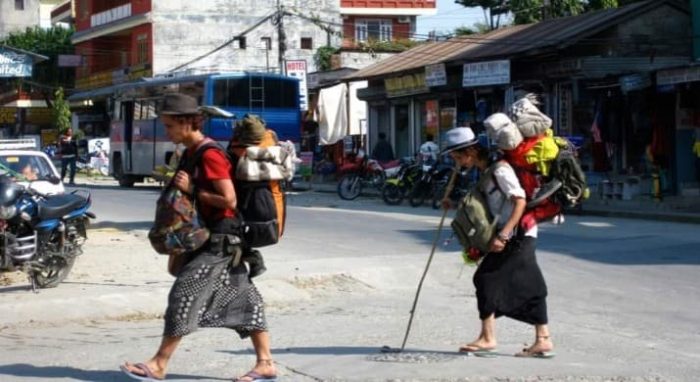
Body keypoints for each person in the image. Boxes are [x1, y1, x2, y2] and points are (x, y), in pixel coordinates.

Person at [120, 93, 277, 382]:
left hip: (220, 240)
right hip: (213, 238)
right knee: (247, 300)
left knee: (184, 295)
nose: (166, 131)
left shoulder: (210, 154)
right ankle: (265, 362)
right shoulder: (192, 152)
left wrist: (193, 189)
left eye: (169, 126)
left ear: (186, 122)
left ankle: (158, 363)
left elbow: (228, 200)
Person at [442, 126, 554, 358]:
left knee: (485, 278)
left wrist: (503, 235)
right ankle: (543, 339)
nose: (456, 161)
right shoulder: (484, 170)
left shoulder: (501, 170)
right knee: (531, 285)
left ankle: (488, 338)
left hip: (517, 233)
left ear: (470, 152)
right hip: (517, 233)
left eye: (457, 156)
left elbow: (520, 202)